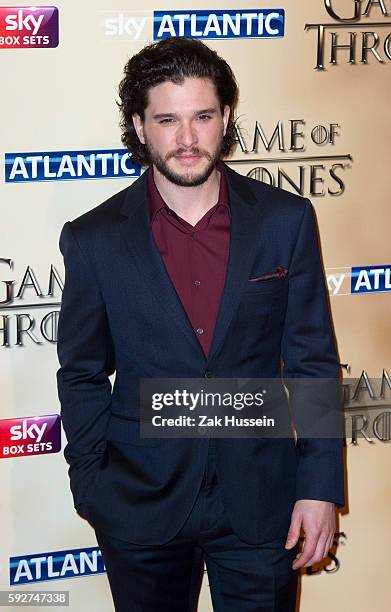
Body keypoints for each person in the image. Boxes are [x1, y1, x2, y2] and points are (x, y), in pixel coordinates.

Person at [56, 36, 345, 612]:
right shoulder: (93, 239)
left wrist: (318, 488)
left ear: (226, 117)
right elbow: (82, 371)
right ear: (140, 127)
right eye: (167, 119)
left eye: (202, 117)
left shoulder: (285, 222)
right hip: (140, 503)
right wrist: (93, 484)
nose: (187, 140)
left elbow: (312, 360)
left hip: (264, 502)